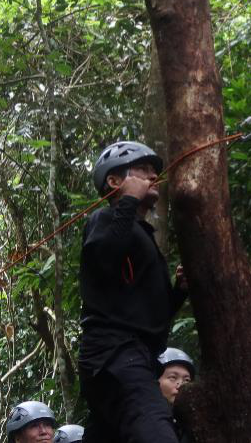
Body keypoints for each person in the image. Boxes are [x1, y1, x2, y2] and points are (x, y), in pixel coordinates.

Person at [78, 141, 187, 443]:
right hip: (114, 354)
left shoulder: (140, 235)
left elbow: (148, 312)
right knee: (154, 426)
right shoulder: (106, 219)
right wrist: (126, 201)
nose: (152, 176)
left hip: (129, 356)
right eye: (142, 170)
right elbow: (104, 259)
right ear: (114, 182)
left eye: (154, 171)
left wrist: (178, 292)